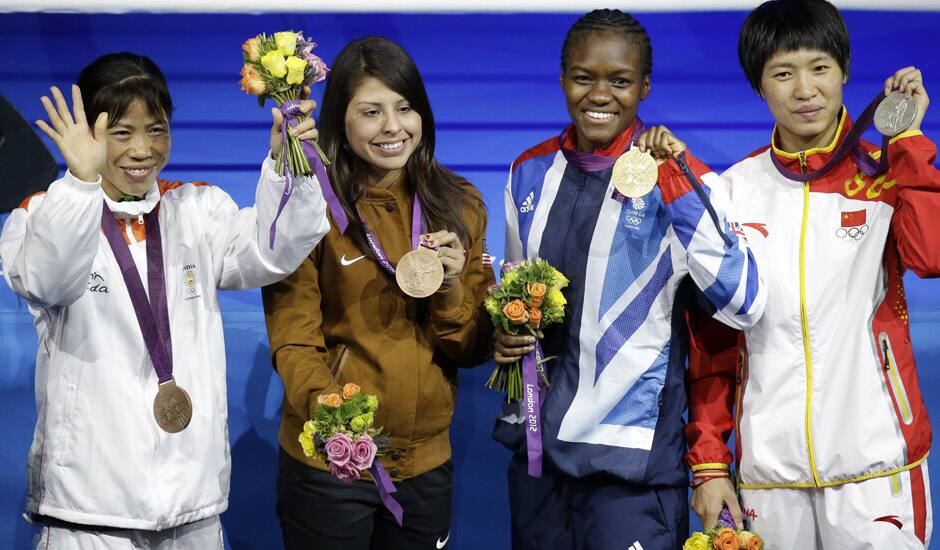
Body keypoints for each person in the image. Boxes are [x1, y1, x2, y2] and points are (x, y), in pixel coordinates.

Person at [0, 52, 330, 548]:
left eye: (156, 130)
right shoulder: (41, 215)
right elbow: (50, 281)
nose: (142, 149)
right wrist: (80, 184)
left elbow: (272, 251)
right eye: (121, 133)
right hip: (89, 510)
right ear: (89, 135)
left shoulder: (198, 209)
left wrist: (290, 165)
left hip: (191, 506)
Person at [490, 9, 766, 550]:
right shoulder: (528, 171)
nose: (600, 94)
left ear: (644, 86)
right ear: (562, 78)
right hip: (538, 462)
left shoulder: (687, 177)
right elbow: (516, 296)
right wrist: (502, 333)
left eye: (619, 81)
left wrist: (676, 184)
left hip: (632, 474)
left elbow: (742, 303)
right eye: (582, 76)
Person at [687, 1, 939, 548]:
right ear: (759, 87)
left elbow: (932, 255)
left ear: (844, 71)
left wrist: (909, 143)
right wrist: (709, 462)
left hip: (878, 467)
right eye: (783, 73)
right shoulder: (732, 192)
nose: (805, 89)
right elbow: (713, 341)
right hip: (767, 478)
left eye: (819, 68)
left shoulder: (884, 175)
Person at [262, 36, 495, 550]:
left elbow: (472, 348)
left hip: (423, 466)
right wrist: (336, 424)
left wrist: (452, 288)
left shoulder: (458, 204)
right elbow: (293, 340)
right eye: (371, 111)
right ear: (339, 121)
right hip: (331, 464)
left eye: (405, 107)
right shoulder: (309, 208)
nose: (393, 126)